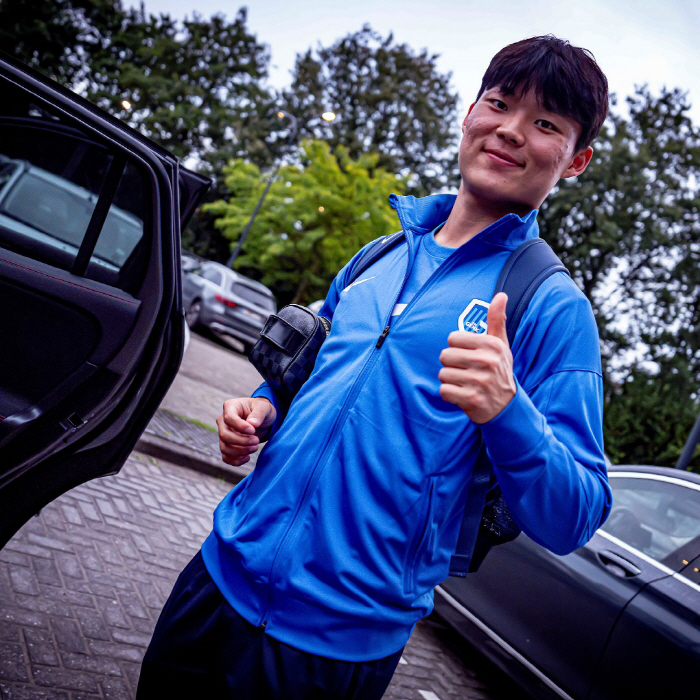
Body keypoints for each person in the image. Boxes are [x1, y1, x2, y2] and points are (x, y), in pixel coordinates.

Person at [137, 35, 613, 699]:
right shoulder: (377, 258)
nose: (509, 130)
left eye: (544, 123)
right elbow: (302, 382)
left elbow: (576, 514)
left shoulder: (551, 309)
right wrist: (260, 408)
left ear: (576, 160)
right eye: (499, 104)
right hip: (216, 576)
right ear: (470, 111)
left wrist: (508, 412)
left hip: (335, 647)